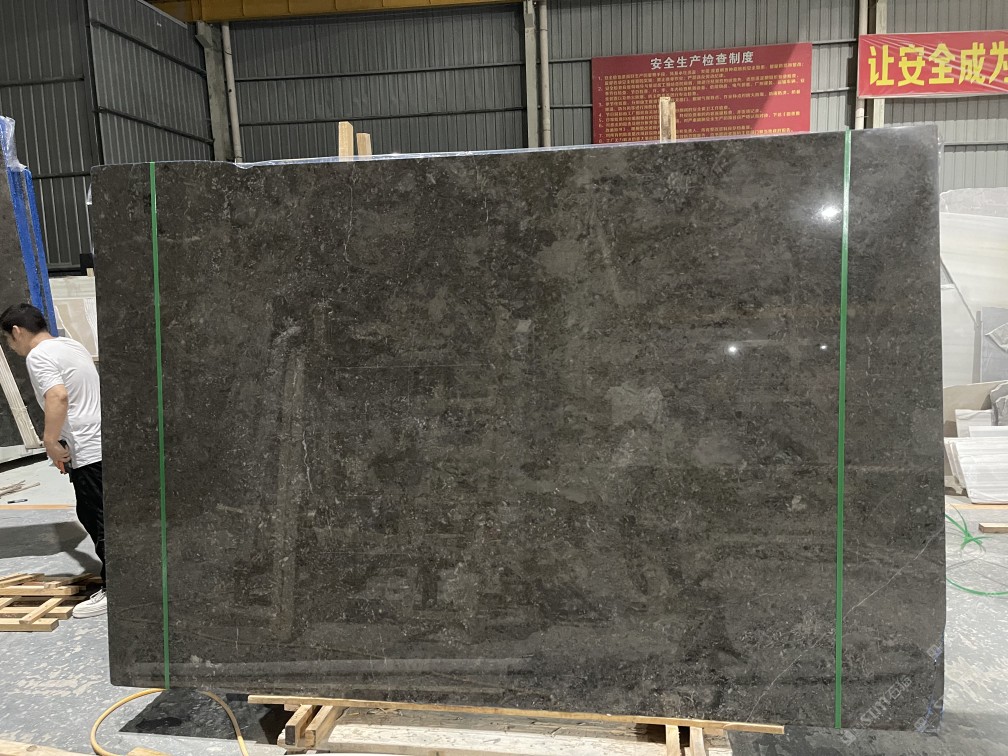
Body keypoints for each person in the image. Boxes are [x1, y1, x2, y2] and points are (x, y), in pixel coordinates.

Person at [1, 303, 106, 618]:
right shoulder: (71, 346)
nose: (10, 347)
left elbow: (58, 396)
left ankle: (116, 588)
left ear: (17, 331)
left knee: (98, 518)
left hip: (87, 450)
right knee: (94, 513)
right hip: (100, 442)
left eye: (7, 339)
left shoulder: (38, 356)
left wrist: (49, 442)